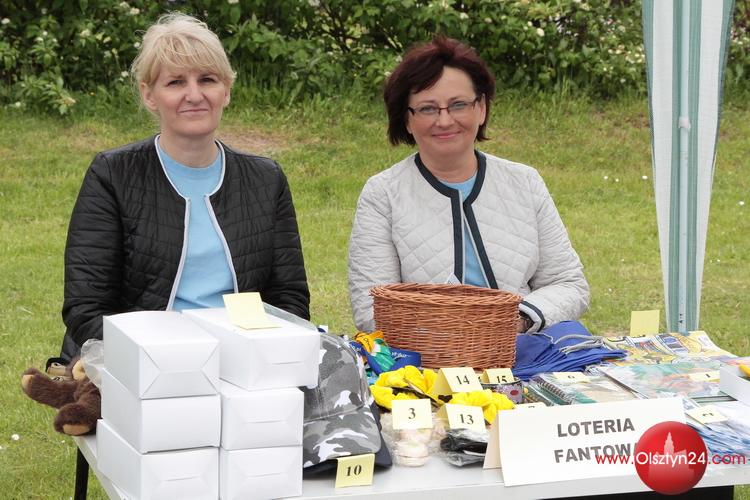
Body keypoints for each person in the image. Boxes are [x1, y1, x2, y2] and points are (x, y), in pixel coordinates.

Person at [60, 13, 309, 361]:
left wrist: (252, 357)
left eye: (207, 79)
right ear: (149, 95)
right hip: (140, 361)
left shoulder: (266, 178)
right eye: (176, 82)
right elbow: (86, 309)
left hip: (242, 360)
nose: (194, 95)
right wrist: (173, 358)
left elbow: (290, 300)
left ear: (226, 90)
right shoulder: (112, 174)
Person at [348, 36, 589, 334]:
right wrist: (451, 331)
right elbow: (371, 308)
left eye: (458, 105)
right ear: (407, 120)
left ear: (481, 108)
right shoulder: (382, 194)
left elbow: (568, 284)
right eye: (427, 109)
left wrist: (519, 319)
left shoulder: (524, 182)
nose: (445, 120)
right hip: (425, 356)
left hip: (522, 345)